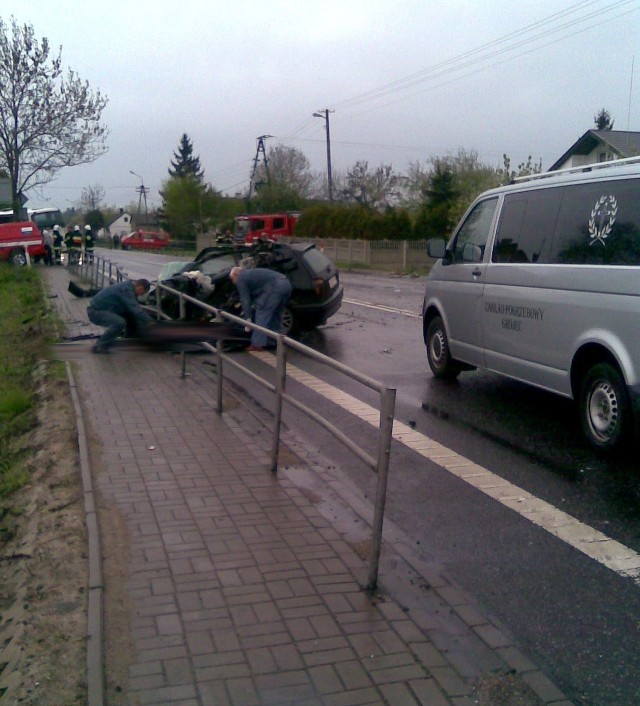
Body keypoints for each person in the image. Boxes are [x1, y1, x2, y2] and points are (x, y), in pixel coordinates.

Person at [229, 267, 292, 351]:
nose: (233, 282)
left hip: (275, 287)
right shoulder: (250, 273)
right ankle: (273, 340)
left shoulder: (241, 278)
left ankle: (257, 344)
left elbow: (245, 300)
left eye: (232, 279)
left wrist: (247, 317)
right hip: (286, 284)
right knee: (275, 314)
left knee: (262, 312)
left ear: (235, 275)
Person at [87, 279, 153, 353]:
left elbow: (133, 310)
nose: (141, 295)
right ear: (140, 288)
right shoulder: (126, 290)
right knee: (119, 323)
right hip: (96, 312)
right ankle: (99, 345)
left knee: (130, 314)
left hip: (105, 309)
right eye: (143, 293)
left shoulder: (128, 287)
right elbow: (137, 310)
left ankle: (129, 338)